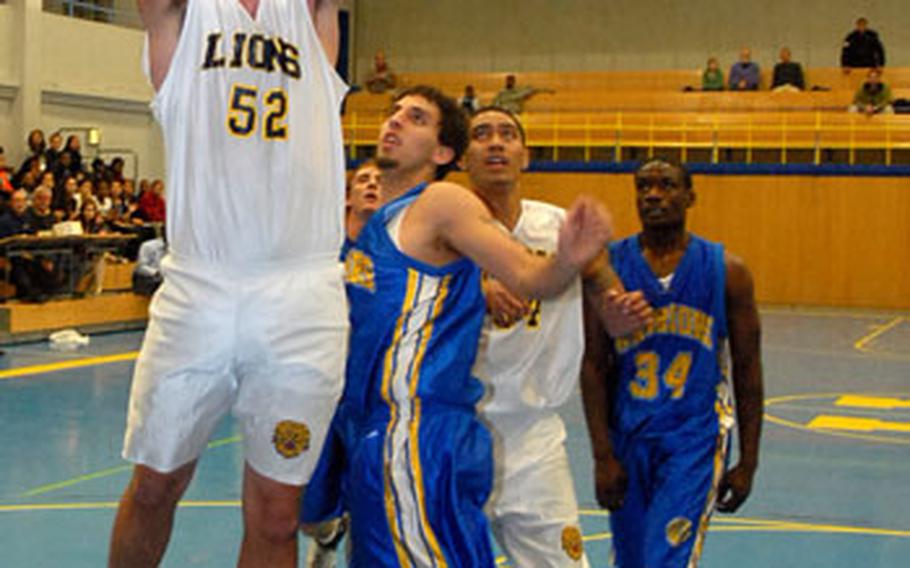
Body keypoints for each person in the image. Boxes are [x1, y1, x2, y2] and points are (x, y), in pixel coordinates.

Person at [302, 85, 612, 567]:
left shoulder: (442, 202)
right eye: (395, 112)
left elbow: (529, 273)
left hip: (416, 429)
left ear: (444, 152)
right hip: (374, 430)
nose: (397, 121)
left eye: (417, 118)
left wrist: (566, 260)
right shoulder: (379, 226)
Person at [109, 1, 349, 567]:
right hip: (200, 287)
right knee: (153, 487)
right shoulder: (183, 16)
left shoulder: (310, 17)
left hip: (302, 293)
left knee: (276, 516)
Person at [465, 107, 651, 567]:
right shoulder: (439, 229)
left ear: (525, 156)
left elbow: (610, 298)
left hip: (533, 434)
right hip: (452, 427)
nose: (495, 143)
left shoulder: (558, 226)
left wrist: (622, 311)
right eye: (481, 134)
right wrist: (475, 290)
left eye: (507, 135)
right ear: (461, 157)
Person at [581, 159, 764, 568]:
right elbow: (594, 364)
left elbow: (748, 370)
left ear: (690, 196)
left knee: (667, 558)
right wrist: (602, 454)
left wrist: (748, 461)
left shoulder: (727, 271)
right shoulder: (606, 268)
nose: (653, 195)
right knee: (632, 559)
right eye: (644, 186)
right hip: (629, 433)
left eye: (666, 185)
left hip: (693, 437)